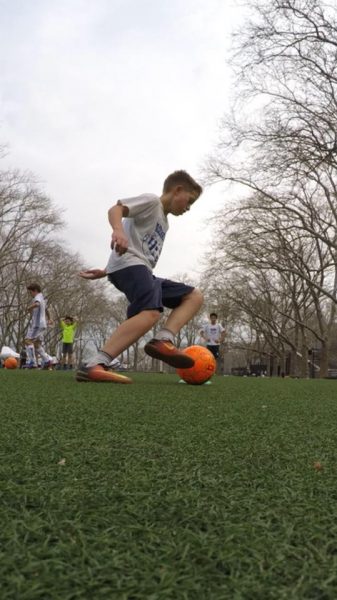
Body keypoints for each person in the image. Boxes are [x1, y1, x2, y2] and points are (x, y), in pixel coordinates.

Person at [77, 170, 204, 384]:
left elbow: (137, 245)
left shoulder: (165, 222)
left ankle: (164, 340)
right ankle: (95, 363)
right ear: (177, 190)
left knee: (193, 296)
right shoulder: (152, 201)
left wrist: (105, 270)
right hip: (131, 264)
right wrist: (117, 230)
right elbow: (115, 209)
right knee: (151, 312)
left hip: (138, 268)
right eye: (189, 201)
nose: (188, 208)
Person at [25, 283, 52, 369]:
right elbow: (46, 309)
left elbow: (37, 304)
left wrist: (29, 308)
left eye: (30, 292)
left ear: (35, 290)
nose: (30, 294)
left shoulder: (38, 297)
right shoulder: (42, 298)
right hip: (42, 324)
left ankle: (32, 362)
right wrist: (49, 318)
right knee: (37, 344)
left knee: (27, 340)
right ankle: (47, 361)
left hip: (37, 324)